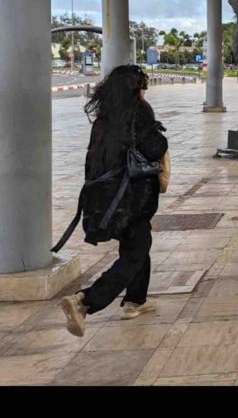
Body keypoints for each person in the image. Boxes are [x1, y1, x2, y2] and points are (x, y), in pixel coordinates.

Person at [60, 65, 168, 337]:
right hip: (133, 196)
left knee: (136, 246)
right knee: (135, 251)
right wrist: (160, 136)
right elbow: (154, 147)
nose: (144, 90)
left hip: (108, 198)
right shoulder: (138, 111)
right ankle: (86, 300)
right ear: (135, 88)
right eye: (142, 85)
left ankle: (136, 301)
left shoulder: (104, 118)